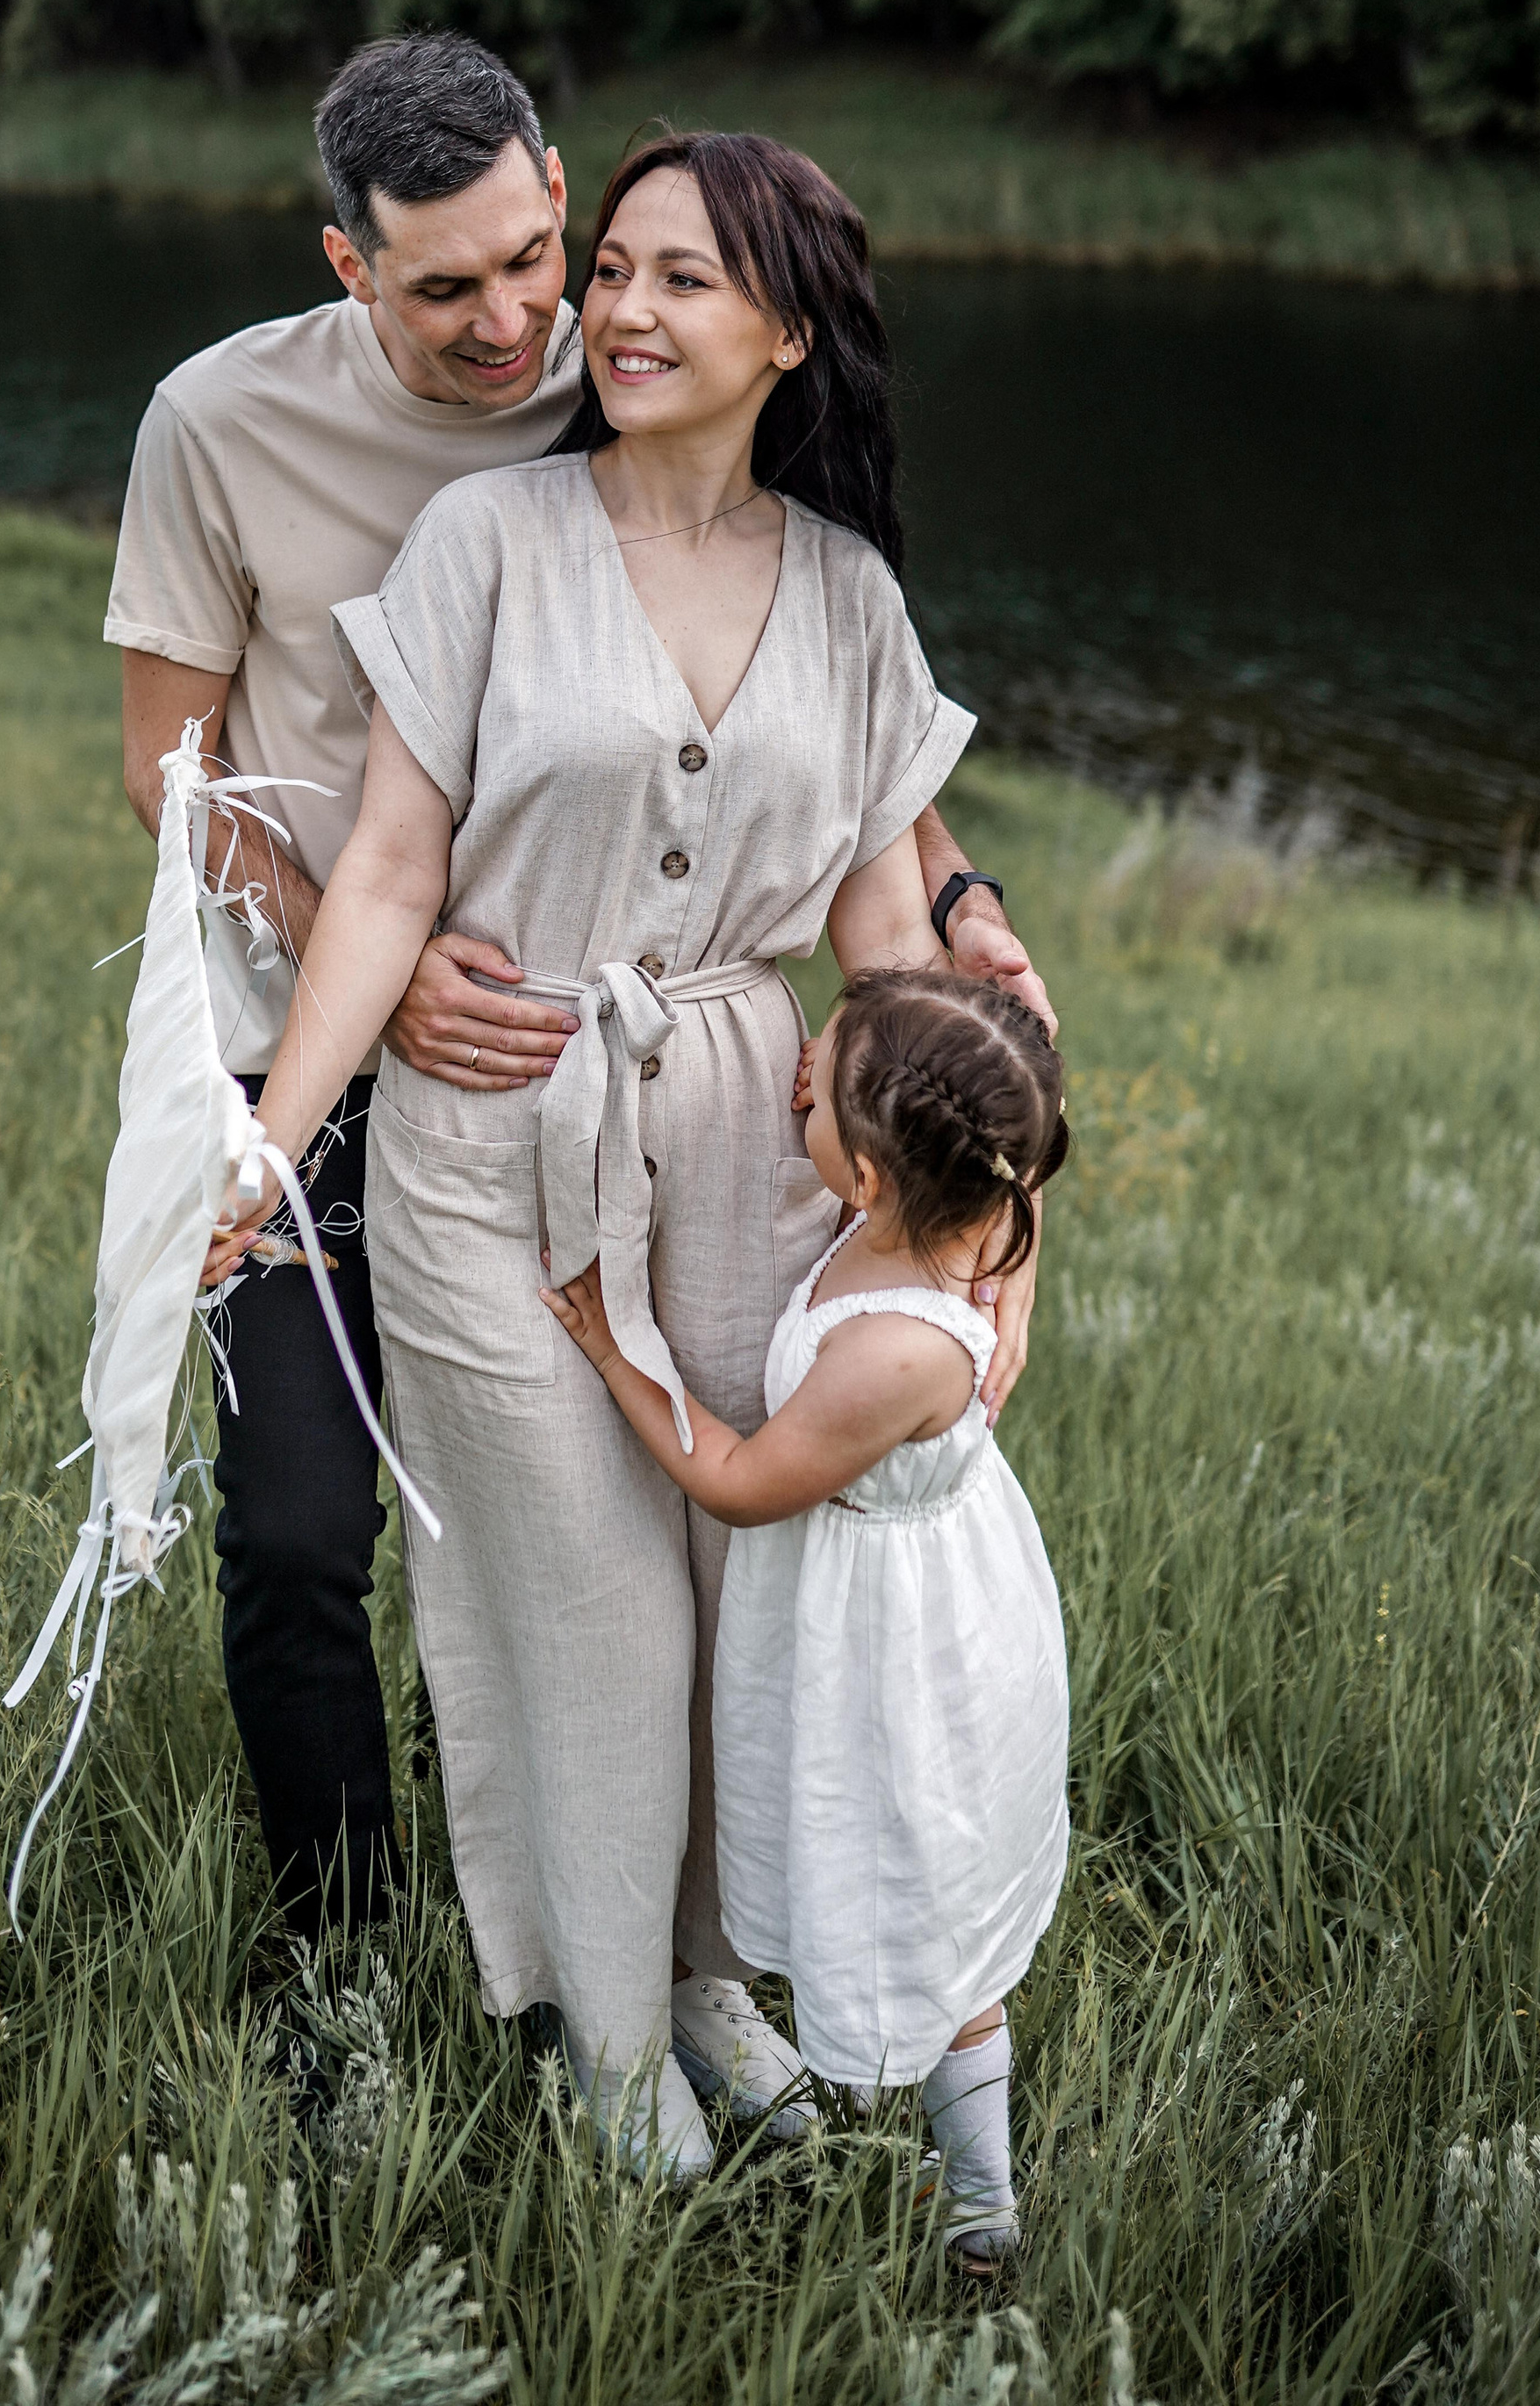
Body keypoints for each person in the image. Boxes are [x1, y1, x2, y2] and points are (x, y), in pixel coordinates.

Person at [202, 126, 1047, 2170]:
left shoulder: (844, 597)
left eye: (683, 279)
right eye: (616, 270)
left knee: (728, 1589)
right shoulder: (485, 544)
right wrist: (265, 1153)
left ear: (785, 334)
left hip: (747, 1157)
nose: (622, 309)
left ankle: (697, 1981)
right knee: (597, 1612)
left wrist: (983, 1234)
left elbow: (878, 952)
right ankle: (600, 2044)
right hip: (490, 1153)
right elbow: (385, 876)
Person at [543, 965, 1070, 2264]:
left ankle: (983, 2206)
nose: (796, 1077)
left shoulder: (896, 1349)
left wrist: (615, 1346)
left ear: (870, 1177)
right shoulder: (949, 1209)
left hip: (903, 1661)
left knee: (929, 1903)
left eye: (816, 1080)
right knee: (915, 1888)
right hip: (902, 1602)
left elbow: (738, 1478)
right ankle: (967, 2182)